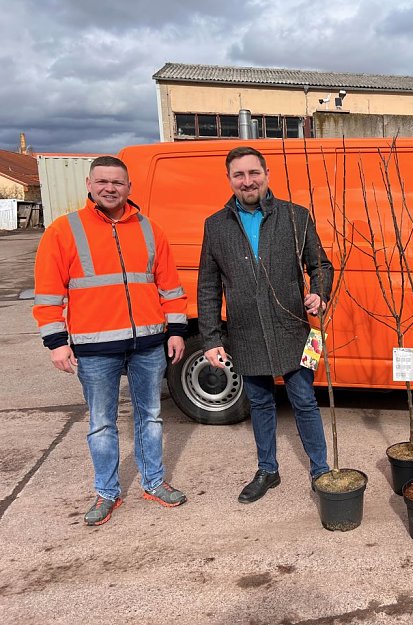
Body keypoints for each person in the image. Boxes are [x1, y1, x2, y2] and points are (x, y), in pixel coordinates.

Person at [33, 155, 188, 526]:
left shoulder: (150, 230)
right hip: (94, 348)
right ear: (89, 184)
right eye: (102, 181)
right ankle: (106, 492)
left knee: (150, 417)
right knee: (101, 423)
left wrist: (178, 330)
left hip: (149, 344)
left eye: (117, 183)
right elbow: (49, 293)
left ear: (129, 188)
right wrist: (56, 341)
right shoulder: (64, 230)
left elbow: (170, 286)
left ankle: (153, 482)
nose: (110, 188)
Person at [198, 146, 333, 504]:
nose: (247, 181)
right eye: (239, 175)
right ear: (229, 180)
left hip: (292, 328)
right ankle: (267, 470)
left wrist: (319, 294)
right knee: (260, 403)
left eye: (253, 173)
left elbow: (320, 266)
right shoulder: (215, 226)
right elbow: (208, 286)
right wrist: (211, 338)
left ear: (267, 174)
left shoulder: (295, 217)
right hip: (246, 332)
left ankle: (320, 470)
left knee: (304, 400)